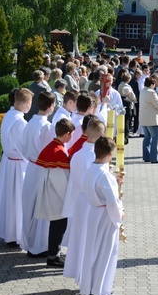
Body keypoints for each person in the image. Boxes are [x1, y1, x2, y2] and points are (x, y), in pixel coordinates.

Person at [76, 137, 124, 295]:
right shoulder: (105, 175)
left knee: (92, 253)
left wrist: (115, 183)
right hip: (105, 216)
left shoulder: (90, 170)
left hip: (94, 212)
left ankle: (92, 289)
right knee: (104, 254)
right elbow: (111, 201)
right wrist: (120, 214)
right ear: (110, 155)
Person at [62, 116, 105, 282]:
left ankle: (79, 271)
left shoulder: (78, 154)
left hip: (80, 199)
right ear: (101, 136)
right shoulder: (94, 156)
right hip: (91, 201)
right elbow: (95, 182)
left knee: (80, 237)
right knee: (90, 240)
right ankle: (86, 275)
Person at [0, 89, 32, 246]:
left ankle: (10, 231)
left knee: (10, 199)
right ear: (26, 103)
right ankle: (16, 234)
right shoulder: (21, 122)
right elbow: (24, 147)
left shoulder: (9, 115)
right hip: (18, 164)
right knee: (17, 200)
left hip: (9, 161)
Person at [34, 118, 75, 268]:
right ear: (67, 134)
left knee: (57, 225)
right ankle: (53, 256)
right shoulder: (58, 152)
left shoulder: (52, 146)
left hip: (51, 192)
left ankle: (54, 253)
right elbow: (60, 180)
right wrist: (69, 198)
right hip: (57, 195)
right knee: (59, 225)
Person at [22, 92, 55, 258]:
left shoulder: (30, 122)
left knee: (30, 206)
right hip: (41, 168)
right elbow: (49, 150)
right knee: (40, 208)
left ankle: (30, 242)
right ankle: (38, 246)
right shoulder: (46, 127)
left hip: (31, 167)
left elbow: (22, 145)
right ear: (50, 107)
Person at [139, 74, 158, 163]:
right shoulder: (151, 92)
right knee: (155, 137)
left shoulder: (143, 91)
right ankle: (154, 158)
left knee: (147, 138)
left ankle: (146, 156)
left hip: (144, 118)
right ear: (151, 84)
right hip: (152, 119)